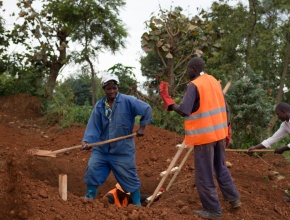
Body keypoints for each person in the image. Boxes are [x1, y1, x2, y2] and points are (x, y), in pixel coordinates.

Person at [159, 57, 241, 219]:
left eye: (188, 69)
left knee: (204, 173)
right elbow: (225, 107)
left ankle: (213, 210)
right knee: (220, 167)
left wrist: (168, 100)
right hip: (219, 134)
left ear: (194, 68)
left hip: (204, 137)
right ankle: (233, 198)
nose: (187, 72)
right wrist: (228, 130)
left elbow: (184, 110)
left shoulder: (194, 85)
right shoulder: (212, 81)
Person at [81, 73, 152, 206]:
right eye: (109, 89)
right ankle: (89, 200)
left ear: (117, 88)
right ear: (104, 89)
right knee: (92, 171)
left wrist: (142, 127)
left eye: (114, 88)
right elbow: (93, 126)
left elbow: (146, 109)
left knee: (130, 178)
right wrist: (87, 141)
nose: (112, 91)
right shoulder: (100, 106)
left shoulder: (128, 101)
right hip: (102, 150)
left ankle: (137, 205)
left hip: (122, 150)